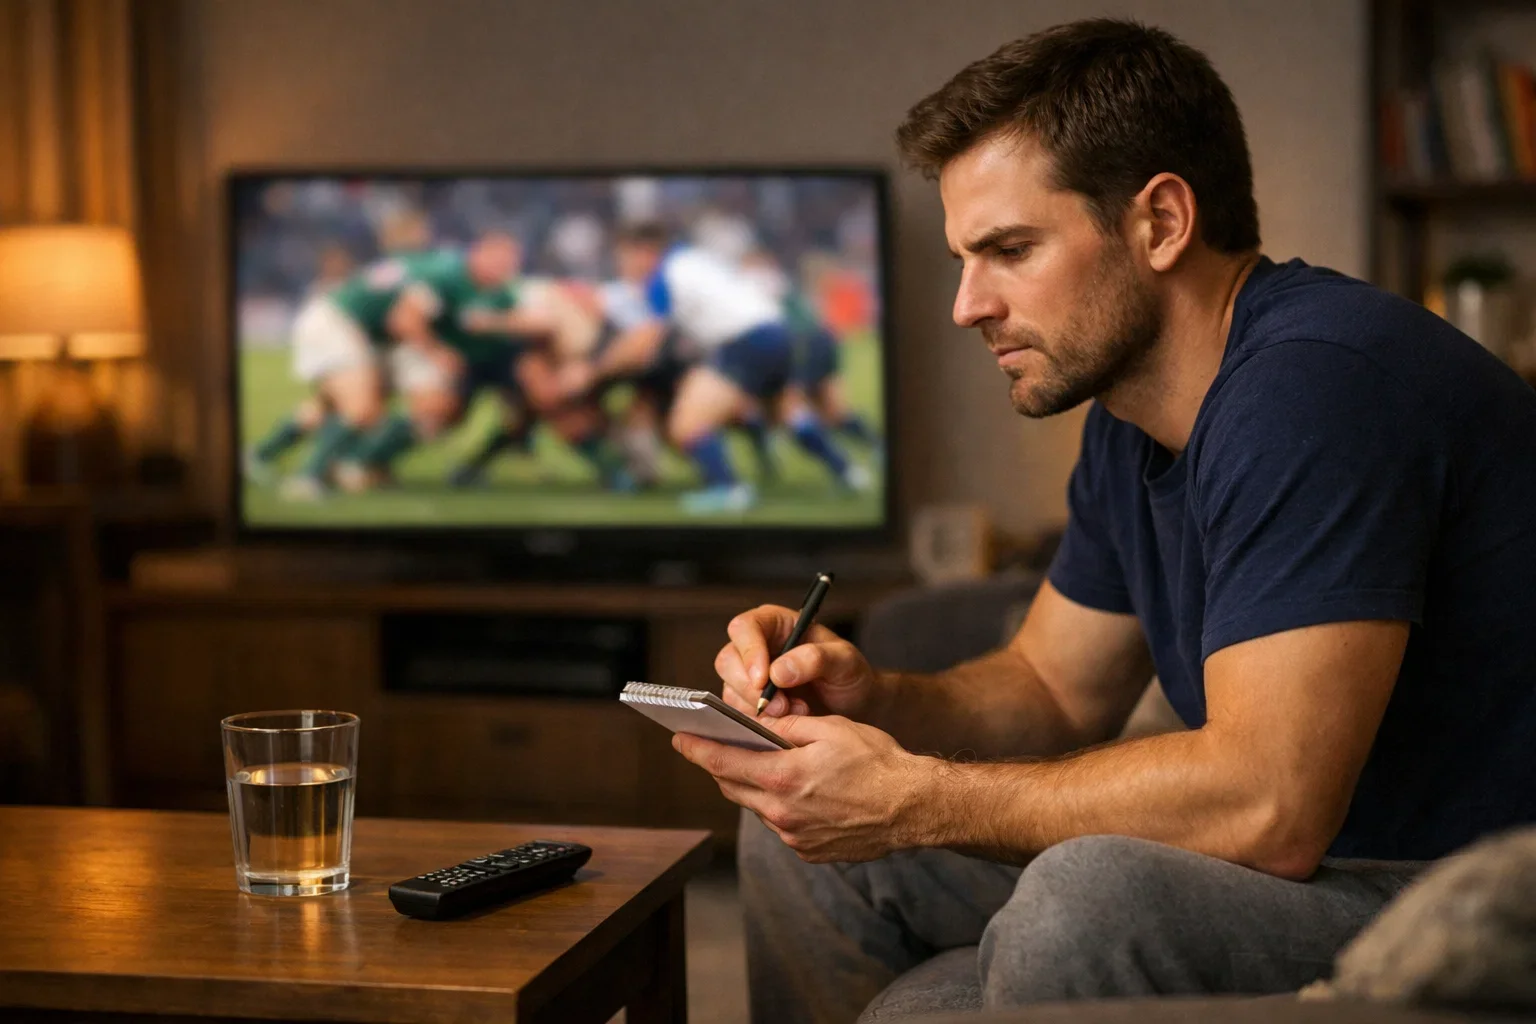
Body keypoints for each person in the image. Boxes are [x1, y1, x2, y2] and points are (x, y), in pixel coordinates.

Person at [671, 19, 1536, 1023]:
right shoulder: (1131, 417)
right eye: (964, 258)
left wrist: (912, 798)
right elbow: (1048, 687)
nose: (966, 305)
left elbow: (1270, 802)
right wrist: (877, 695)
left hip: (1464, 889)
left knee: (1090, 898)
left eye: (1009, 250)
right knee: (803, 847)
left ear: (1160, 221)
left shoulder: (1316, 386)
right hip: (1337, 864)